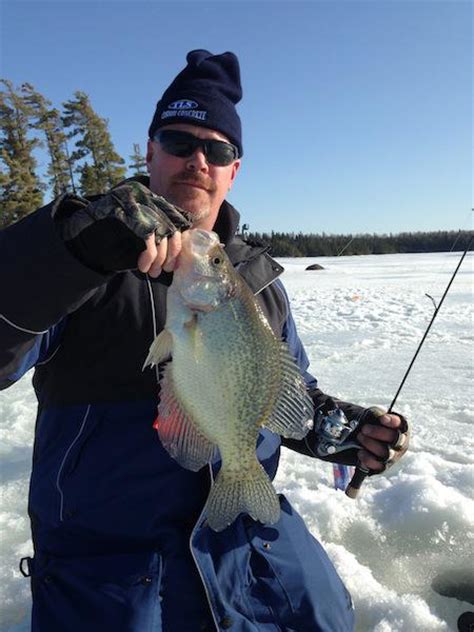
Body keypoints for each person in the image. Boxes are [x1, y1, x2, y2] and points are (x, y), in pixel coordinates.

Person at [0, 50, 409, 632]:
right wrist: (70, 254)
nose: (198, 160)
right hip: (116, 574)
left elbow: (283, 393)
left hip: (254, 553)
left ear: (233, 170)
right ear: (149, 151)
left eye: (217, 151)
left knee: (327, 614)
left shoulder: (258, 281)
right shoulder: (84, 259)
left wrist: (346, 434)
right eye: (178, 141)